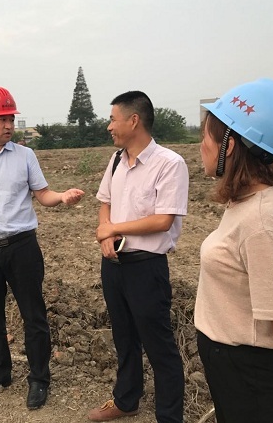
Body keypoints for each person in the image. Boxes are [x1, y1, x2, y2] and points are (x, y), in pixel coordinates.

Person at [0, 86, 84, 410]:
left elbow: (43, 195)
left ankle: (39, 378)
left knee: (33, 315)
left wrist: (62, 197)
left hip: (22, 247)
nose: (9, 125)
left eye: (11, 119)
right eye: (2, 119)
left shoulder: (25, 156)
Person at [194, 78, 273, 423]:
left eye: (205, 136)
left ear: (228, 146)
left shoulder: (261, 221)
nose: (201, 146)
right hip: (237, 370)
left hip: (255, 378)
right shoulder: (247, 202)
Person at [91, 91, 188, 423]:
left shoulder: (169, 163)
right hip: (114, 264)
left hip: (147, 267)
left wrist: (114, 228)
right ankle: (126, 399)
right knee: (124, 337)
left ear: (134, 121)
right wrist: (107, 233)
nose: (109, 127)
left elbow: (163, 220)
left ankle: (169, 416)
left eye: (113, 119)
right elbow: (105, 202)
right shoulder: (117, 160)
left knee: (159, 345)